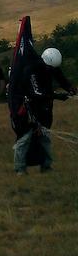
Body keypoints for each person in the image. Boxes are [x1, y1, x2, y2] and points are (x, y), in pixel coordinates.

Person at [14, 47, 76, 175]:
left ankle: (46, 166)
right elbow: (36, 92)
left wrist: (70, 88)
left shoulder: (52, 67)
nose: (52, 70)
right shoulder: (31, 70)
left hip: (45, 108)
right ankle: (20, 168)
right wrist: (57, 96)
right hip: (30, 109)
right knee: (25, 138)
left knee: (45, 137)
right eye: (50, 68)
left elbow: (61, 78)